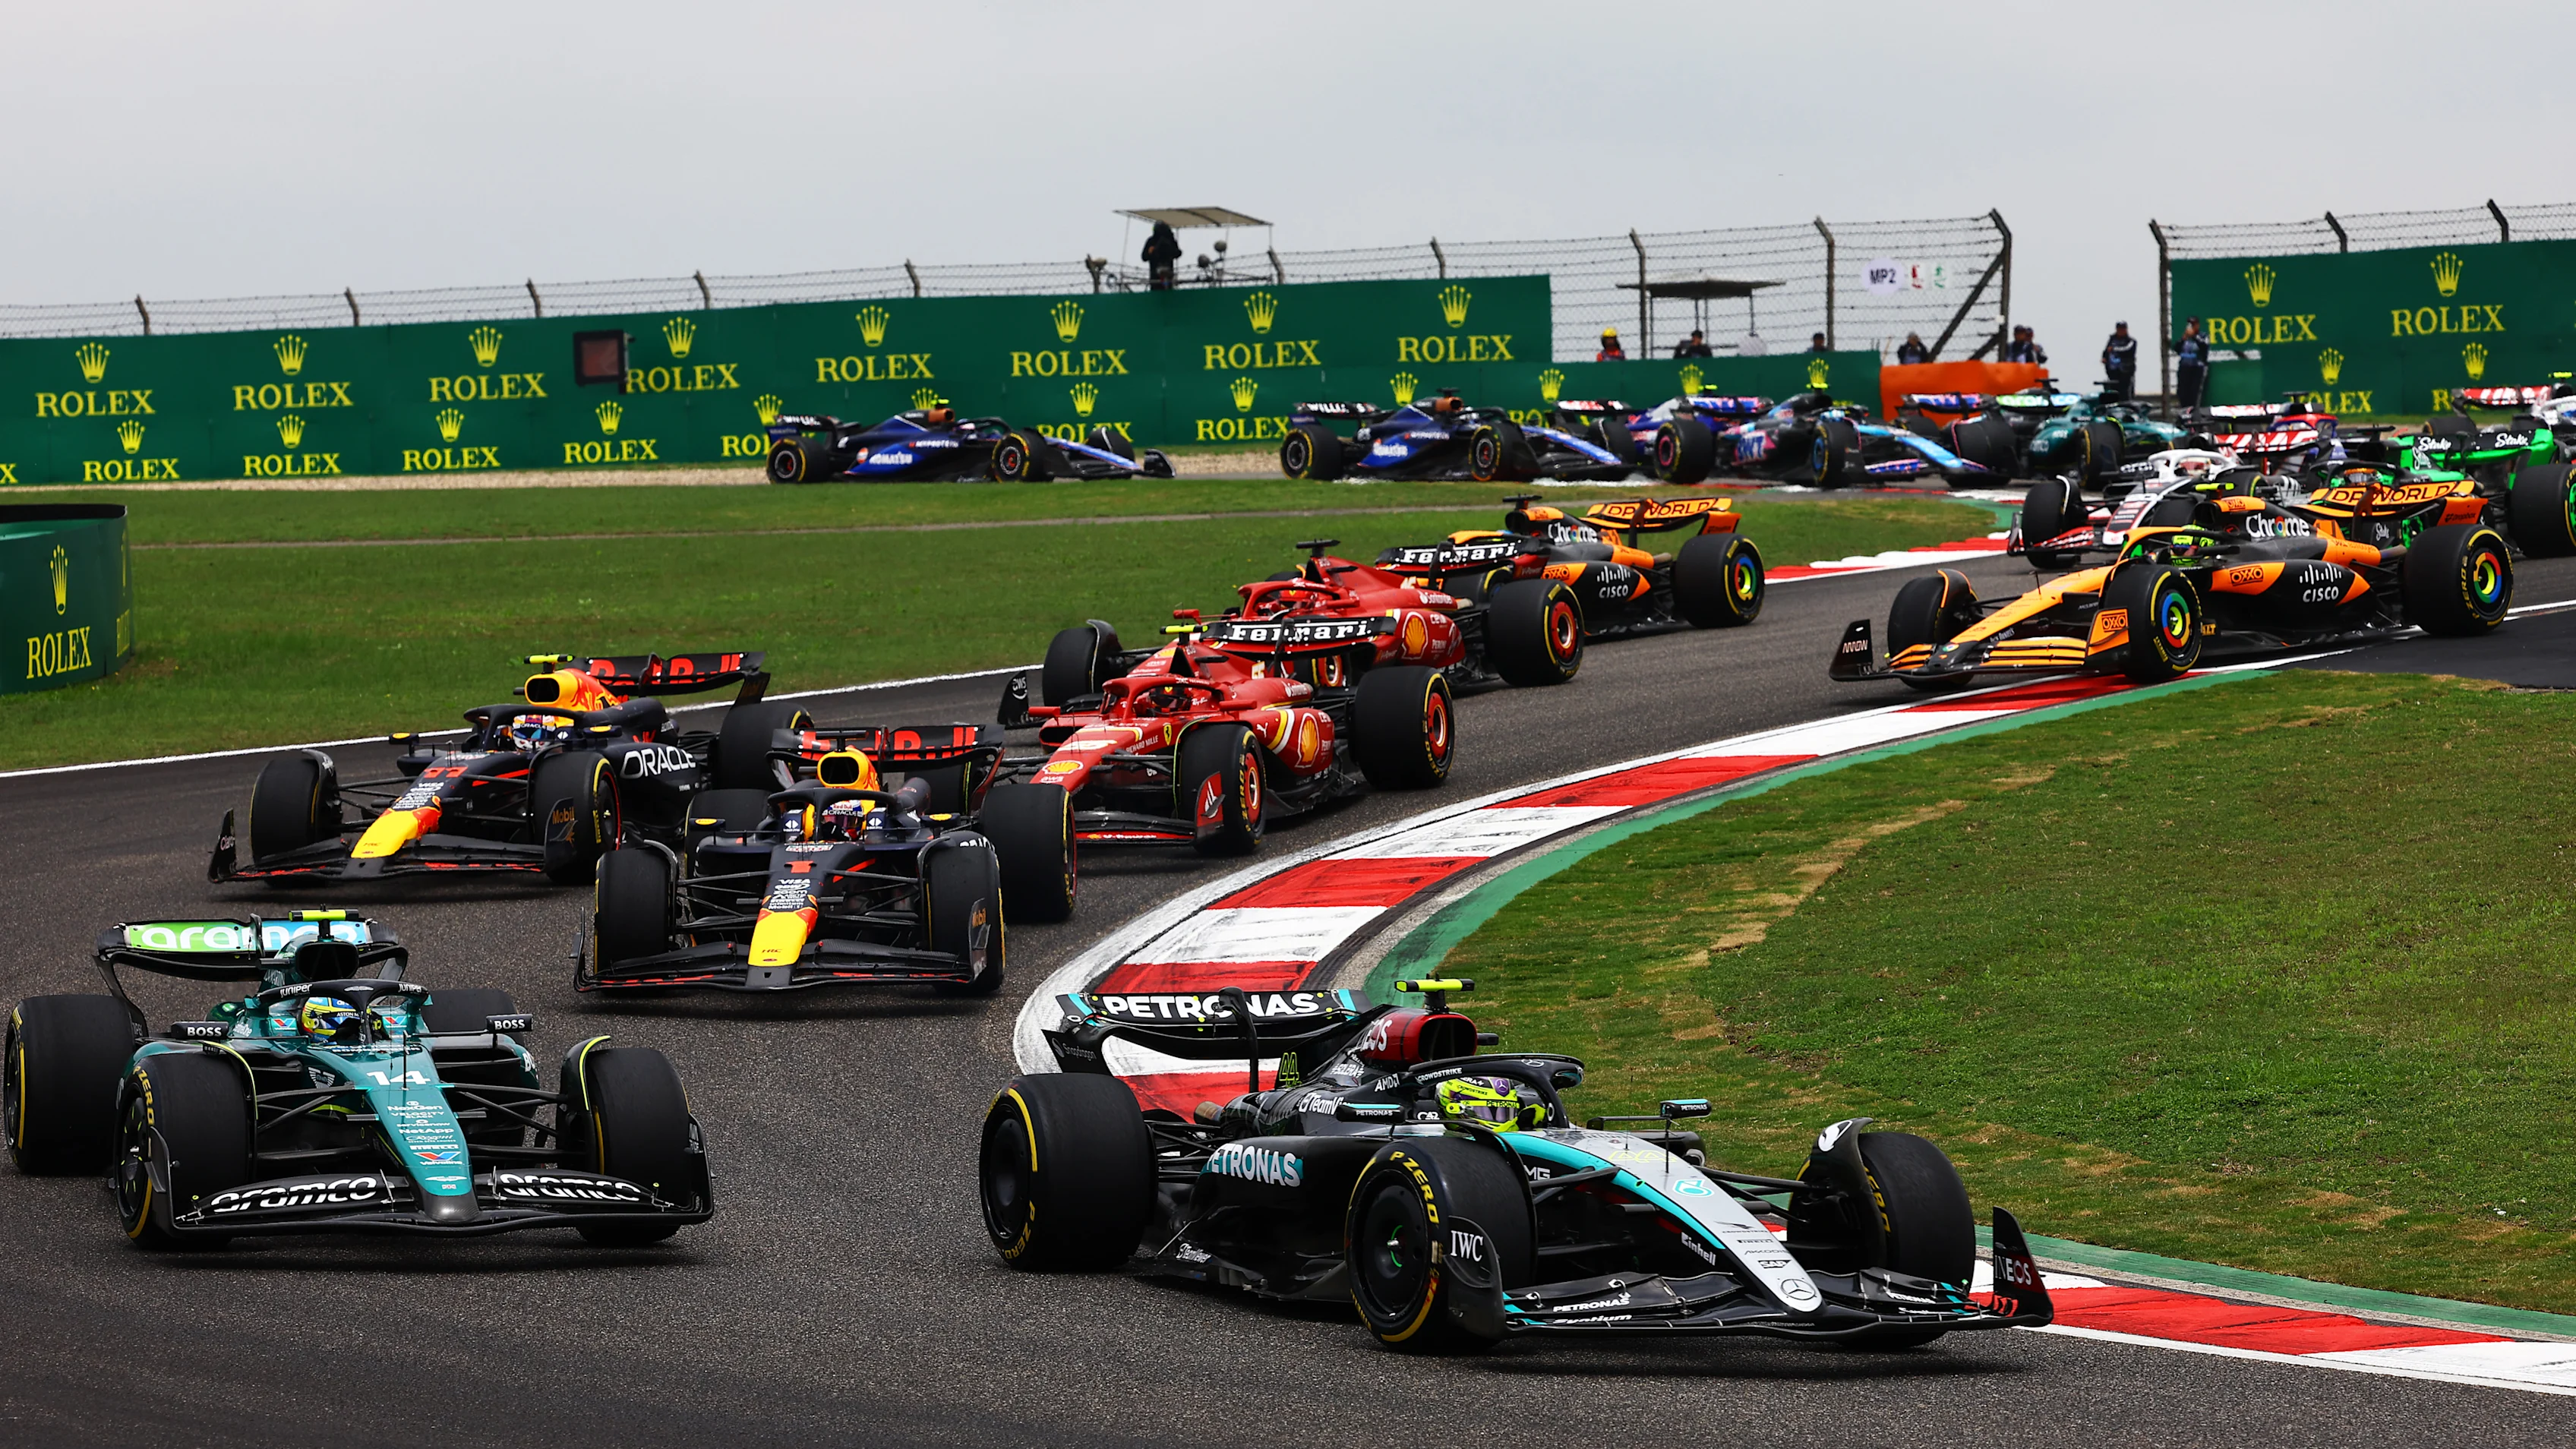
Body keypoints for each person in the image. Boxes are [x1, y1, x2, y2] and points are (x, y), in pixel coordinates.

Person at [2174, 317, 2209, 413]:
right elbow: (2177, 349)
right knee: (2182, 393)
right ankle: (2184, 411)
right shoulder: (2185, 338)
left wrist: (2194, 336)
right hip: (2184, 367)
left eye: (2193, 325)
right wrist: (2183, 338)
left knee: (2194, 393)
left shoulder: (2203, 336)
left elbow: (2204, 348)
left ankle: (2193, 413)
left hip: (2197, 368)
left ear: (2198, 325)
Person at [2101, 322, 2139, 402]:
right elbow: (2107, 350)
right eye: (2119, 329)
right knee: (2113, 390)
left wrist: (2114, 349)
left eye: (2123, 329)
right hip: (2113, 371)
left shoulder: (2131, 341)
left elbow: (2127, 349)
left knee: (2125, 391)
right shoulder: (2112, 340)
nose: (2121, 331)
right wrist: (2105, 358)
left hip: (2126, 371)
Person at [1141, 221, 1180, 292]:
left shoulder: (1170, 240)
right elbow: (1144, 257)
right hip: (1155, 275)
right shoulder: (1151, 241)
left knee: (1168, 291)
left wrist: (1169, 250)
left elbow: (1178, 253)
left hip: (1168, 273)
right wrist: (1150, 252)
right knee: (1156, 291)